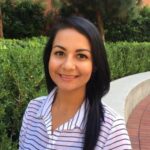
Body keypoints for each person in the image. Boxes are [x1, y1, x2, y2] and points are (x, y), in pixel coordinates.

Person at [19, 16, 132, 150]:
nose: (68, 66)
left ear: (94, 65)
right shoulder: (33, 109)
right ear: (49, 57)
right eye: (60, 53)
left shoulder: (112, 130)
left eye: (81, 56)